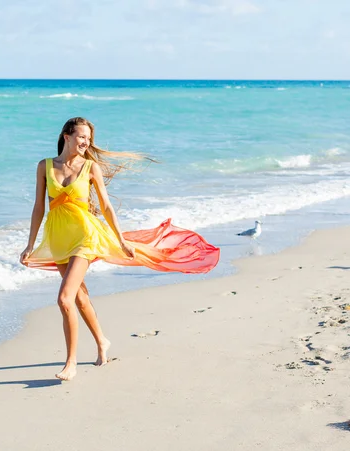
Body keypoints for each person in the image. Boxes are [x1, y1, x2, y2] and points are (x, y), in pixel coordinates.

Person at [20, 117, 219, 381]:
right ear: (66, 136)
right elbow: (38, 207)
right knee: (78, 297)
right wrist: (30, 243)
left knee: (64, 298)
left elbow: (106, 207)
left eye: (88, 139)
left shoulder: (90, 167)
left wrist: (121, 241)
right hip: (58, 238)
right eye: (81, 137)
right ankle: (102, 341)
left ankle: (71, 363)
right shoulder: (44, 166)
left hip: (85, 237)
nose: (86, 142)